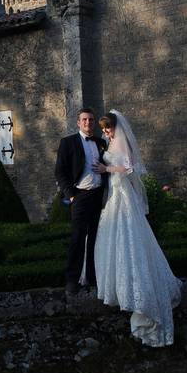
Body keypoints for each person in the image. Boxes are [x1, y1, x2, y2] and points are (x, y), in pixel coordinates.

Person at [90, 109, 182, 345]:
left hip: (123, 195)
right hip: (113, 196)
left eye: (107, 128)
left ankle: (142, 300)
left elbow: (130, 167)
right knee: (112, 239)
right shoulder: (108, 143)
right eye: (104, 129)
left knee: (130, 238)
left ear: (115, 127)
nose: (106, 132)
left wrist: (106, 169)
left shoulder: (121, 143)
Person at [54, 107, 108, 295]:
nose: (88, 123)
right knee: (78, 237)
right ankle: (72, 280)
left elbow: (108, 167)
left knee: (95, 237)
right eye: (84, 120)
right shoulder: (68, 142)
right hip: (80, 195)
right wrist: (71, 195)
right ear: (78, 122)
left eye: (91, 120)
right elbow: (60, 171)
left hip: (98, 195)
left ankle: (92, 277)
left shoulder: (101, 142)